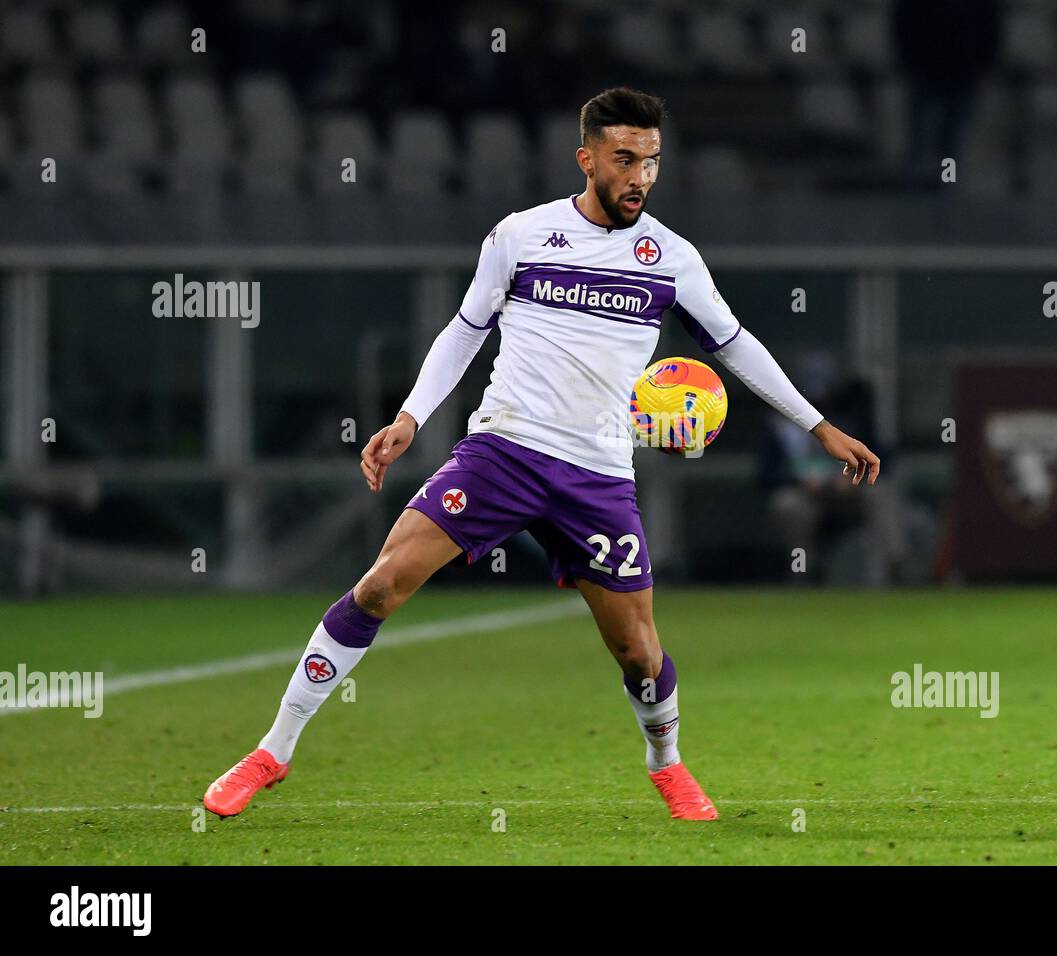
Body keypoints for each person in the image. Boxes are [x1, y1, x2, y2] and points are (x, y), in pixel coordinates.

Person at [203, 88, 880, 822]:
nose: (640, 177)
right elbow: (464, 330)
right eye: (624, 160)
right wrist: (409, 417)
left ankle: (668, 764)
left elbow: (736, 344)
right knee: (380, 585)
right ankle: (273, 751)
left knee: (639, 655)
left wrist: (819, 427)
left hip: (598, 474)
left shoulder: (673, 260)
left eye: (651, 162)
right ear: (587, 158)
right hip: (504, 450)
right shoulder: (521, 236)